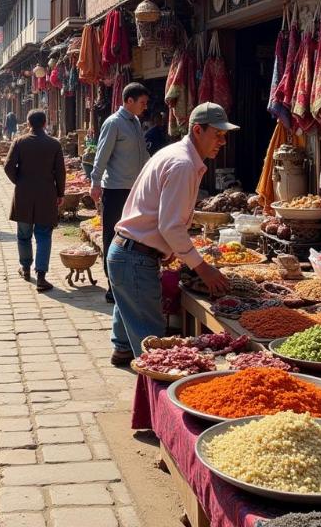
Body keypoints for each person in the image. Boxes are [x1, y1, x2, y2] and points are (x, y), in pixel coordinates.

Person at [108, 103, 236, 366]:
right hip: (134, 258)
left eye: (225, 136)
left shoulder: (175, 154)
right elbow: (171, 227)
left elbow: (155, 214)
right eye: (218, 135)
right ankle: (154, 395)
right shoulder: (183, 164)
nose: (222, 142)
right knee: (155, 351)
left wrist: (165, 249)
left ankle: (122, 349)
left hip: (126, 251)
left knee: (128, 309)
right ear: (198, 130)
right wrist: (203, 268)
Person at [90, 82, 151, 303]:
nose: (145, 107)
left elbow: (143, 154)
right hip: (115, 190)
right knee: (112, 238)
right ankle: (111, 285)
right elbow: (102, 154)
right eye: (142, 103)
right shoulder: (113, 123)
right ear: (129, 101)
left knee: (132, 237)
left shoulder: (135, 122)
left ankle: (128, 281)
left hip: (134, 190)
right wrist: (95, 182)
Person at [4, 109, 65, 292]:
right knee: (44, 235)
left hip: (23, 194)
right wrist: (60, 193)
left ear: (28, 123)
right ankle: (41, 276)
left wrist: (19, 180)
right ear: (45, 123)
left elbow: (8, 167)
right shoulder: (54, 144)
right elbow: (60, 172)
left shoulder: (19, 142)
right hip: (47, 194)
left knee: (24, 235)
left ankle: (25, 268)